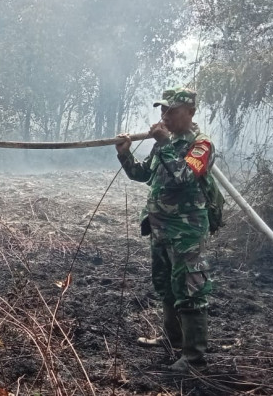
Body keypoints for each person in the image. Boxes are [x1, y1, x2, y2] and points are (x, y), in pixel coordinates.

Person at [116, 87, 214, 372]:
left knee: (190, 290)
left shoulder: (201, 145)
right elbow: (144, 174)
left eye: (172, 111)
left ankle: (194, 357)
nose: (165, 116)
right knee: (166, 287)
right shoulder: (164, 143)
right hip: (159, 229)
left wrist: (166, 142)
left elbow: (183, 176)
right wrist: (125, 156)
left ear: (190, 112)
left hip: (186, 233)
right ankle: (173, 341)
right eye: (162, 110)